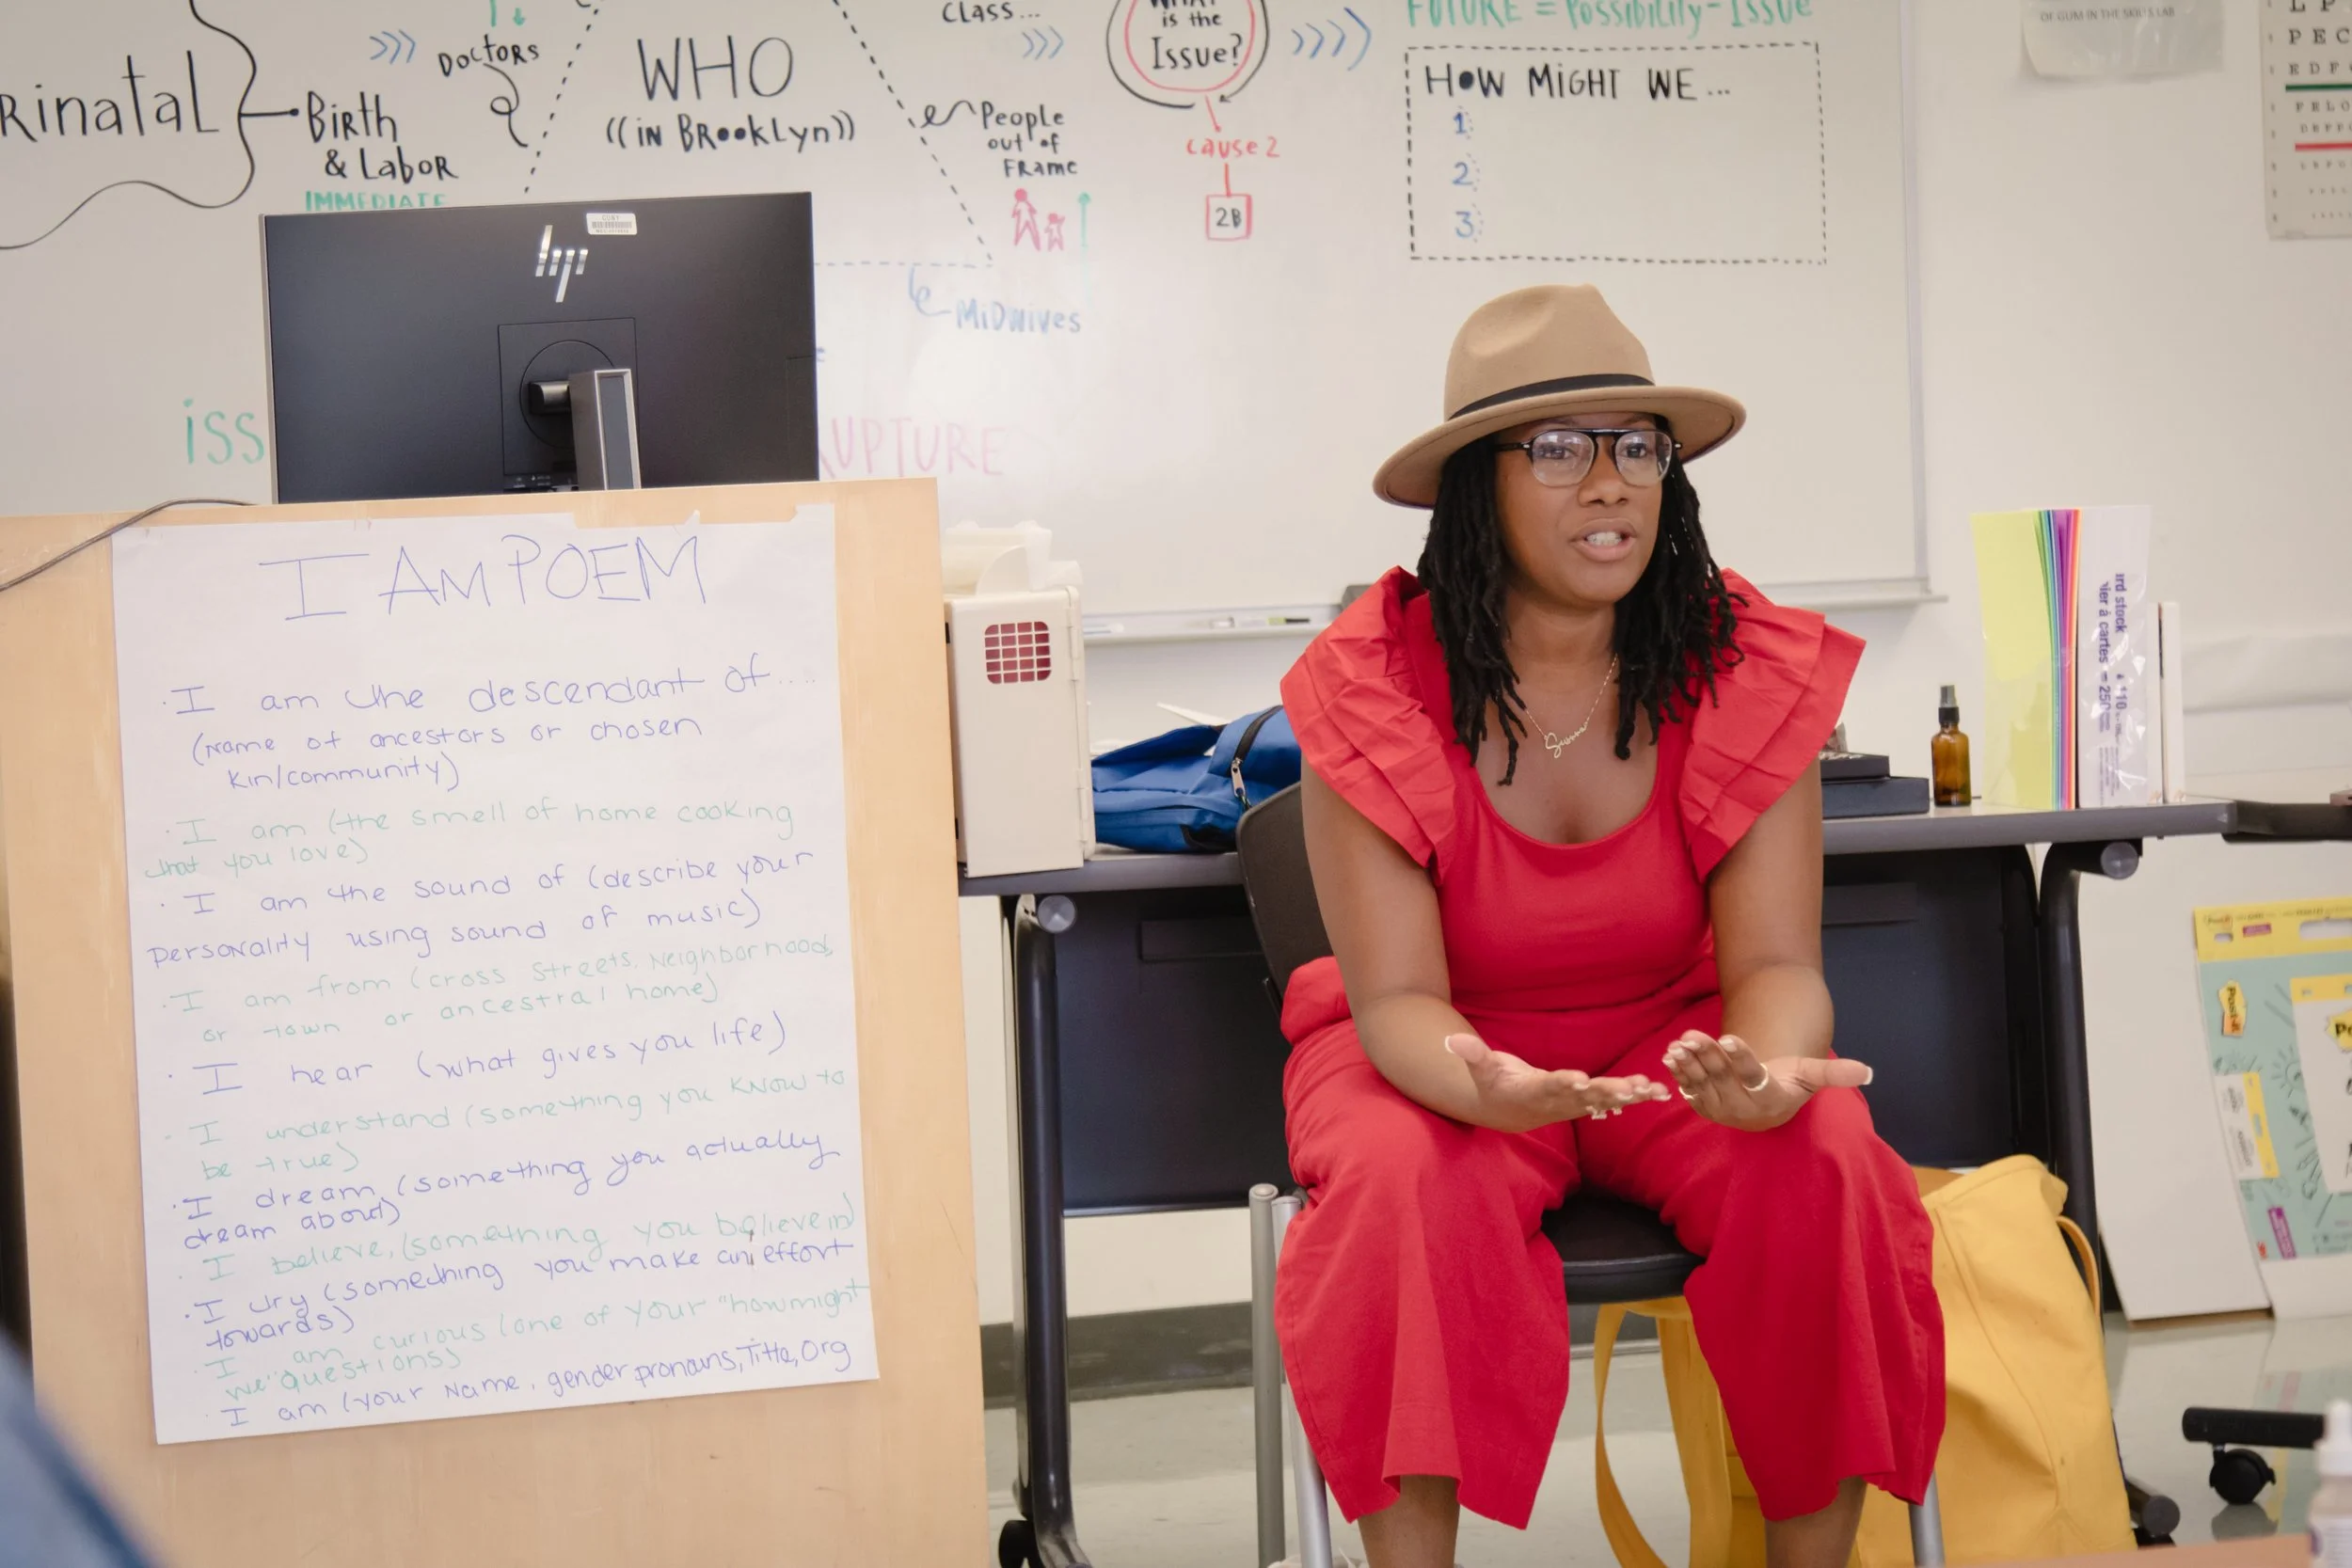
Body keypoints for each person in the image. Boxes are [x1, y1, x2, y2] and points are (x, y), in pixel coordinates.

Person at [1274, 285, 1944, 1568]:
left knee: (1829, 1154)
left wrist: (1766, 1073)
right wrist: (1485, 1081)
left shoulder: (1738, 663)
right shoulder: (1371, 685)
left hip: (1670, 1044)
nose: (1610, 484)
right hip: (1442, 1048)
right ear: (1474, 484)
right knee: (1398, 1182)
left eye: (1638, 446)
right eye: (1558, 448)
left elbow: (1775, 964)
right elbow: (1398, 999)